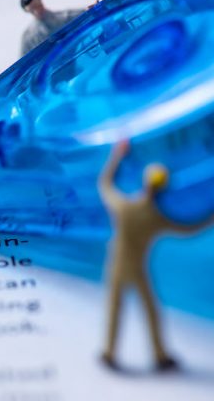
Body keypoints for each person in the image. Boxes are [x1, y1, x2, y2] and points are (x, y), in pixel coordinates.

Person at [98, 140, 214, 371]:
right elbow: (188, 229)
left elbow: (105, 184)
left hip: (118, 264)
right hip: (137, 267)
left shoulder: (124, 207)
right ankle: (159, 355)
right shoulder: (157, 217)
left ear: (145, 183)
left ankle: (110, 353)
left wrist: (116, 156)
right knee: (150, 310)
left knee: (116, 307)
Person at [20, 0, 86, 56]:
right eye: (32, 10)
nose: (37, 11)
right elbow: (23, 61)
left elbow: (85, 13)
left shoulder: (64, 16)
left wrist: (90, 9)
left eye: (38, 5)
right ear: (27, 11)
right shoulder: (28, 37)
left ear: (40, 1)